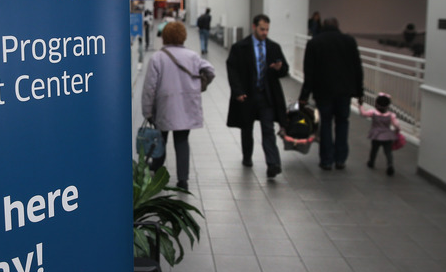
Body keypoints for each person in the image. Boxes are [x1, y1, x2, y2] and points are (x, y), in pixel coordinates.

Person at [142, 22, 215, 190]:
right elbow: (210, 70)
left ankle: (157, 170)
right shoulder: (193, 56)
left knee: (160, 139)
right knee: (182, 141)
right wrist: (202, 84)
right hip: (186, 106)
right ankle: (183, 179)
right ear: (183, 36)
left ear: (165, 36)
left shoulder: (157, 58)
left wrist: (147, 111)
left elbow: (149, 88)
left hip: (164, 106)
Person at [226, 14, 288, 178]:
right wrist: (237, 91)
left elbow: (284, 70)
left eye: (267, 29)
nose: (265, 32)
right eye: (262, 29)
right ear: (254, 27)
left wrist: (279, 68)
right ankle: (247, 156)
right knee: (247, 129)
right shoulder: (240, 47)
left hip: (266, 96)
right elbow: (232, 70)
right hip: (248, 96)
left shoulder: (273, 47)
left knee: (268, 129)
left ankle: (273, 164)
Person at [298, 18, 364, 170]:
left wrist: (303, 97)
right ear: (337, 26)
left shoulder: (314, 43)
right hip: (344, 92)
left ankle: (327, 160)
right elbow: (357, 68)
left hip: (323, 92)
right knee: (342, 122)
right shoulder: (349, 41)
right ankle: (340, 159)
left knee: (326, 124)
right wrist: (360, 93)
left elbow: (309, 73)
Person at [358, 93, 400, 176]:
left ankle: (371, 162)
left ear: (376, 104)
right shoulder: (391, 115)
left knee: (374, 150)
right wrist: (396, 132)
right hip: (387, 136)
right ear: (388, 106)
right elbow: (396, 125)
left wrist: (360, 105)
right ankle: (390, 164)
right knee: (388, 152)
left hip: (376, 136)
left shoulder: (373, 112)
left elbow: (363, 114)